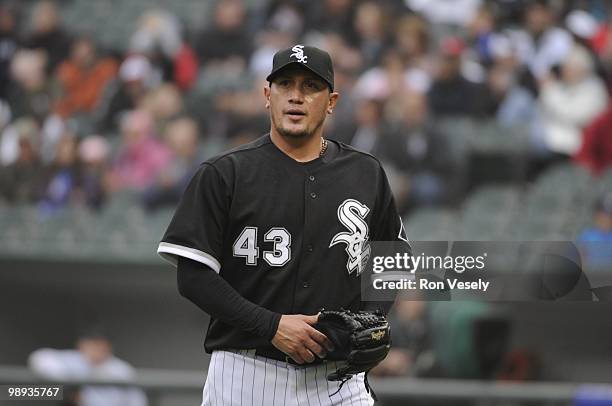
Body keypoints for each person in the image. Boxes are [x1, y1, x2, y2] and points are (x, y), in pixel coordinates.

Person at [157, 45, 410, 405]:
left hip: (337, 380)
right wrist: (271, 325)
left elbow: (394, 258)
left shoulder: (365, 172)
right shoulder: (225, 173)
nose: (296, 96)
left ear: (332, 100)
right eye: (285, 84)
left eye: (310, 87)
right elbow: (194, 277)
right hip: (246, 373)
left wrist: (369, 319)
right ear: (267, 95)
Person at [28, 327, 148, 406]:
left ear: (107, 347)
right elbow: (39, 358)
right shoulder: (75, 359)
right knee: (20, 391)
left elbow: (137, 401)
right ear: (81, 345)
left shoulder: (122, 369)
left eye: (99, 345)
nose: (95, 350)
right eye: (91, 345)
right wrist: (70, 384)